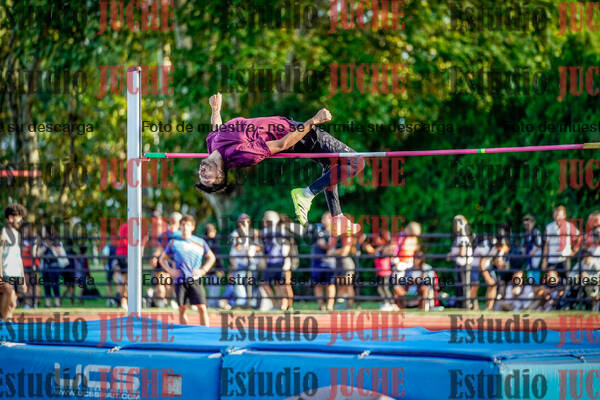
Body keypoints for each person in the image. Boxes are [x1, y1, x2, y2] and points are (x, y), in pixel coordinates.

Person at [195, 93, 364, 235]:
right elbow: (282, 144)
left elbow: (216, 129)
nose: (202, 174)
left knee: (332, 165)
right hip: (299, 135)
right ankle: (306, 194)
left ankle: (337, 217)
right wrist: (313, 120)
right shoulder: (242, 154)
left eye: (201, 176)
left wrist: (215, 109)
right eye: (207, 179)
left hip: (291, 127)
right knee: (356, 162)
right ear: (220, 174)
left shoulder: (212, 147)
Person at [159, 215, 216, 325]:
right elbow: (162, 259)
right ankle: (184, 333)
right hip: (180, 280)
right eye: (183, 224)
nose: (185, 227)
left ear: (193, 227)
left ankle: (205, 332)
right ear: (180, 227)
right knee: (182, 309)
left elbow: (211, 257)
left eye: (188, 225)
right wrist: (170, 271)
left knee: (202, 308)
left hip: (195, 279)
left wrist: (203, 270)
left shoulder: (200, 242)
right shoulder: (173, 242)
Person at [261, 211, 291, 310]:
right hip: (270, 262)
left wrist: (286, 262)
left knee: (281, 284)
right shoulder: (266, 231)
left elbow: (286, 247)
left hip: (280, 261)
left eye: (268, 218)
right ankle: (275, 303)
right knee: (265, 283)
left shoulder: (281, 231)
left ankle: (283, 304)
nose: (265, 219)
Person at [542, 205, 581, 278]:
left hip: (564, 259)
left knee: (566, 281)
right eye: (556, 214)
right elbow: (546, 245)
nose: (557, 217)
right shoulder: (549, 227)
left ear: (564, 216)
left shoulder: (569, 226)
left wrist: (574, 251)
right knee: (550, 281)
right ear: (553, 215)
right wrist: (544, 260)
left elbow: (579, 237)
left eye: (559, 215)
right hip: (552, 260)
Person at [1, 204, 27, 307]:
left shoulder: (17, 234)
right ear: (11, 218)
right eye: (19, 217)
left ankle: (6, 316)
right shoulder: (3, 233)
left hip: (17, 274)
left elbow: (19, 258)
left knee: (13, 304)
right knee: (10, 301)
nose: (21, 220)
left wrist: (23, 278)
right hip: (6, 274)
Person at [362, 231, 396, 311]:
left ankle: (391, 304)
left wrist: (371, 248)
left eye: (378, 238)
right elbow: (371, 251)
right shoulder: (380, 248)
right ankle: (386, 303)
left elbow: (376, 252)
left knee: (384, 288)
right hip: (380, 271)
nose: (376, 240)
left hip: (385, 271)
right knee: (380, 288)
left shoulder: (386, 248)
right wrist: (364, 243)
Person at [392, 221, 421, 309]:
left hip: (410, 264)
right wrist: (396, 261)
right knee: (397, 285)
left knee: (408, 284)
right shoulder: (401, 236)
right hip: (400, 264)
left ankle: (408, 304)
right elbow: (395, 249)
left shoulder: (413, 238)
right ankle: (397, 305)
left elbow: (414, 250)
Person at [311, 213, 337, 311]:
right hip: (317, 261)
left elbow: (328, 245)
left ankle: (330, 306)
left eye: (325, 219)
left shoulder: (334, 232)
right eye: (322, 219)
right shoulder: (318, 230)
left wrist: (323, 242)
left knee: (330, 284)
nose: (323, 221)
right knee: (317, 284)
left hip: (329, 263)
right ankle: (321, 306)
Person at [446, 215, 473, 309]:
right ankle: (460, 304)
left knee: (464, 285)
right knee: (459, 285)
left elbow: (462, 252)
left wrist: (452, 255)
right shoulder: (459, 236)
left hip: (463, 264)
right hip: (459, 263)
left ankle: (465, 305)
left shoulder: (463, 236)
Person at [203, 223, 223, 308]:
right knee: (212, 287)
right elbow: (215, 256)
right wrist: (220, 267)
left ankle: (214, 303)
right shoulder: (208, 242)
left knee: (215, 287)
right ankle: (212, 304)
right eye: (211, 231)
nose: (214, 232)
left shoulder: (214, 241)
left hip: (213, 268)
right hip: (210, 268)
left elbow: (218, 256)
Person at [521, 214, 543, 284]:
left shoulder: (536, 232)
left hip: (535, 256)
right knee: (529, 272)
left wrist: (532, 252)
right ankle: (530, 286)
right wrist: (524, 253)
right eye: (525, 224)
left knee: (535, 271)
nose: (527, 225)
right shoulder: (525, 233)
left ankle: (536, 285)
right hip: (528, 257)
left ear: (532, 223)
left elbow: (539, 244)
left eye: (528, 223)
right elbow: (523, 246)